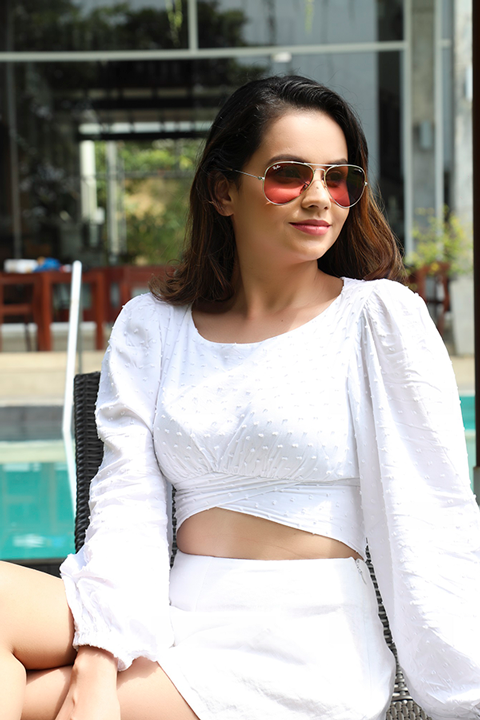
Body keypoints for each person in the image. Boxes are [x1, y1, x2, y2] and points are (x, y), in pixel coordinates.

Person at [1, 74, 480, 720]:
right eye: (289, 175)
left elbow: (434, 515)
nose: (320, 197)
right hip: (167, 613)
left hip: (301, 645)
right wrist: (97, 657)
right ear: (224, 191)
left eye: (339, 178)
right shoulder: (152, 328)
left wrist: (465, 695)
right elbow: (126, 504)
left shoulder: (379, 319)